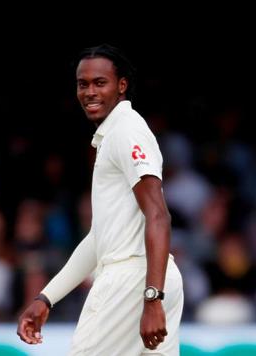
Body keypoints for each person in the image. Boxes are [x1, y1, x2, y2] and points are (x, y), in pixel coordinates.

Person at [17, 44, 184, 355]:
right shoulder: (112, 135)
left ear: (122, 86)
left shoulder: (126, 130)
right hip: (151, 280)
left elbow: (159, 215)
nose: (90, 92)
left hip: (132, 281)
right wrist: (46, 298)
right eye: (83, 84)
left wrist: (151, 297)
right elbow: (98, 241)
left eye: (100, 83)